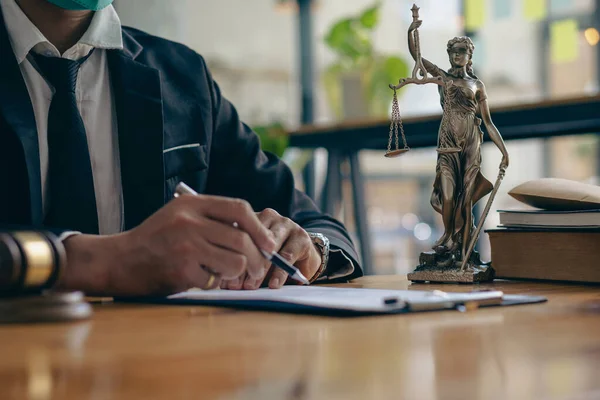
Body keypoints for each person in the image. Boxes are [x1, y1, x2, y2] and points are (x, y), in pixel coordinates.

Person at [0, 0, 362, 296]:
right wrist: (103, 262)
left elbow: (315, 223)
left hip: (162, 365)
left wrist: (310, 248)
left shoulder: (182, 76)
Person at [407, 20, 510, 262]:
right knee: (449, 194)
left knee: (467, 199)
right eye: (453, 52)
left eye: (461, 51)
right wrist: (411, 30)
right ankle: (448, 236)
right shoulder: (442, 78)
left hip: (471, 143)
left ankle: (463, 250)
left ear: (469, 55)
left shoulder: (477, 85)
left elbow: (489, 123)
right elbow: (418, 58)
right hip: (447, 142)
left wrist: (503, 151)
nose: (456, 55)